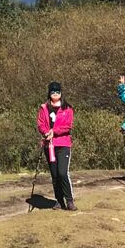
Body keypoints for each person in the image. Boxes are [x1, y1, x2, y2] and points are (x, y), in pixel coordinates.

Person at [37, 81, 75, 211]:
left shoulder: (67, 108)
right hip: (49, 145)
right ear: (49, 93)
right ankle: (59, 201)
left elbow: (68, 126)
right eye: (53, 92)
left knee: (62, 173)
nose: (55, 94)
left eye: (57, 92)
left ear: (61, 93)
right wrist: (45, 132)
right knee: (55, 175)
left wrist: (55, 131)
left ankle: (69, 200)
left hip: (63, 143)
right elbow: (41, 123)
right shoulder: (44, 108)